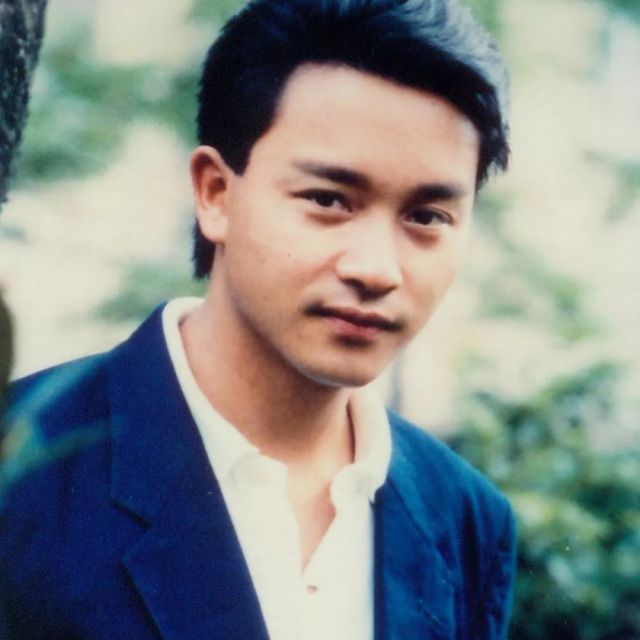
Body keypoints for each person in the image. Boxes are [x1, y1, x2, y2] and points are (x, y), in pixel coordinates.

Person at [0, 0, 516, 638]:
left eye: (426, 217)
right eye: (329, 200)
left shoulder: (464, 517)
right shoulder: (23, 466)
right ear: (215, 193)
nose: (377, 269)